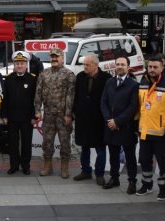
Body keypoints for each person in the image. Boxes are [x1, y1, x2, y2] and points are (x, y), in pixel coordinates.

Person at [136, 55, 165, 201]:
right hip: (144, 132)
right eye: (150, 67)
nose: (152, 70)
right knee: (144, 160)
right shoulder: (142, 83)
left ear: (162, 68)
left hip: (162, 134)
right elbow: (139, 107)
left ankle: (163, 188)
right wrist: (137, 126)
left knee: (163, 162)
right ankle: (146, 184)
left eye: (155, 67)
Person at [100, 56, 140, 193]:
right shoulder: (109, 82)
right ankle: (114, 178)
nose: (119, 67)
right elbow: (103, 102)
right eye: (117, 64)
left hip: (126, 127)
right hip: (110, 126)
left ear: (128, 67)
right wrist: (109, 120)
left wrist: (117, 121)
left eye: (123, 64)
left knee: (130, 156)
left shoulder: (133, 85)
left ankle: (132, 181)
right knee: (113, 155)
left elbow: (133, 107)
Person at [34, 48, 76, 178]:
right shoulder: (44, 74)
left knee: (64, 143)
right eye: (52, 57)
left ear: (62, 58)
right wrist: (37, 110)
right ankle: (48, 166)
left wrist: (68, 114)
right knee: (47, 142)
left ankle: (64, 167)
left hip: (63, 116)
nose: (54, 59)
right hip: (48, 115)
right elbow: (38, 93)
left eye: (57, 57)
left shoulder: (69, 74)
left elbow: (71, 95)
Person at [72, 54, 111, 185]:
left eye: (87, 65)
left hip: (99, 120)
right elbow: (76, 96)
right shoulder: (80, 77)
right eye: (84, 64)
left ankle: (99, 174)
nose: (85, 67)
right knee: (84, 147)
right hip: (83, 118)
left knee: (100, 148)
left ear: (96, 65)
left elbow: (109, 100)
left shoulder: (106, 78)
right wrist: (74, 112)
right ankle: (86, 171)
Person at [0, 51, 37, 175]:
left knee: (26, 143)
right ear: (14, 65)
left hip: (27, 118)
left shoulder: (32, 79)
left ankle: (26, 166)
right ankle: (14, 165)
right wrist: (4, 115)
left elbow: (35, 100)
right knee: (13, 143)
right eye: (17, 63)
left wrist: (34, 116)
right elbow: (4, 99)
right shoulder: (9, 79)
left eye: (22, 63)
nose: (19, 66)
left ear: (26, 65)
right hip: (12, 117)